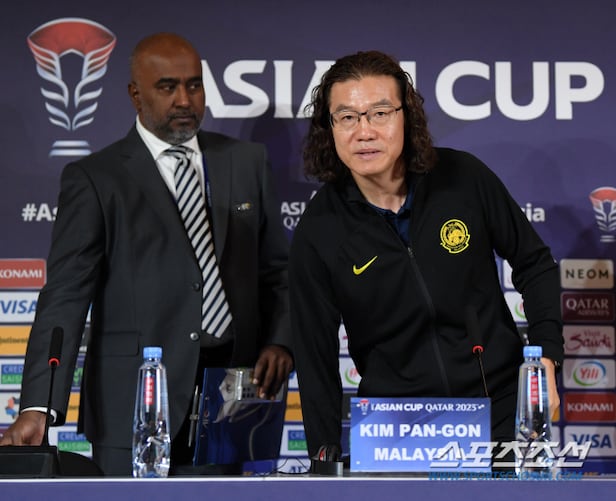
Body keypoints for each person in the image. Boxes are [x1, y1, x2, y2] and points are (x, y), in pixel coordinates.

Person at [0, 33, 293, 475]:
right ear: (135, 94)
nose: (184, 100)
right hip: (135, 404)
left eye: (194, 85)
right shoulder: (96, 178)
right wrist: (39, 405)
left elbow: (277, 273)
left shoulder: (246, 161)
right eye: (167, 87)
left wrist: (281, 340)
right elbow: (65, 296)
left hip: (234, 401)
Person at [289, 50, 563, 462]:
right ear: (329, 128)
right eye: (346, 117)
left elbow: (535, 264)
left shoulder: (463, 178)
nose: (364, 131)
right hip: (394, 429)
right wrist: (323, 459)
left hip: (499, 409)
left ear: (407, 117)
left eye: (380, 113)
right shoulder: (319, 228)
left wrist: (546, 361)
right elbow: (314, 352)